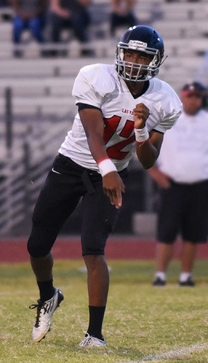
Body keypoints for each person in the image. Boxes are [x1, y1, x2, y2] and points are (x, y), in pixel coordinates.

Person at [27, 25, 182, 347]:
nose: (135, 60)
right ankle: (48, 296)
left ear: (156, 60)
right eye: (130, 53)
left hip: (112, 175)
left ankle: (94, 334)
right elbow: (93, 134)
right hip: (71, 166)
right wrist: (107, 168)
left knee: (94, 250)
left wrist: (141, 131)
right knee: (37, 244)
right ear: (120, 52)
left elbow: (150, 159)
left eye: (143, 55)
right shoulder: (96, 77)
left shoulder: (166, 99)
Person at [149, 82, 208, 287]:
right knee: (166, 233)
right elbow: (143, 145)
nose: (193, 100)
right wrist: (154, 172)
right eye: (189, 96)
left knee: (192, 234)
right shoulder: (167, 119)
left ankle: (185, 276)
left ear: (202, 99)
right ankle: (160, 275)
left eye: (197, 97)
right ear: (181, 98)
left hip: (199, 184)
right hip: (171, 184)